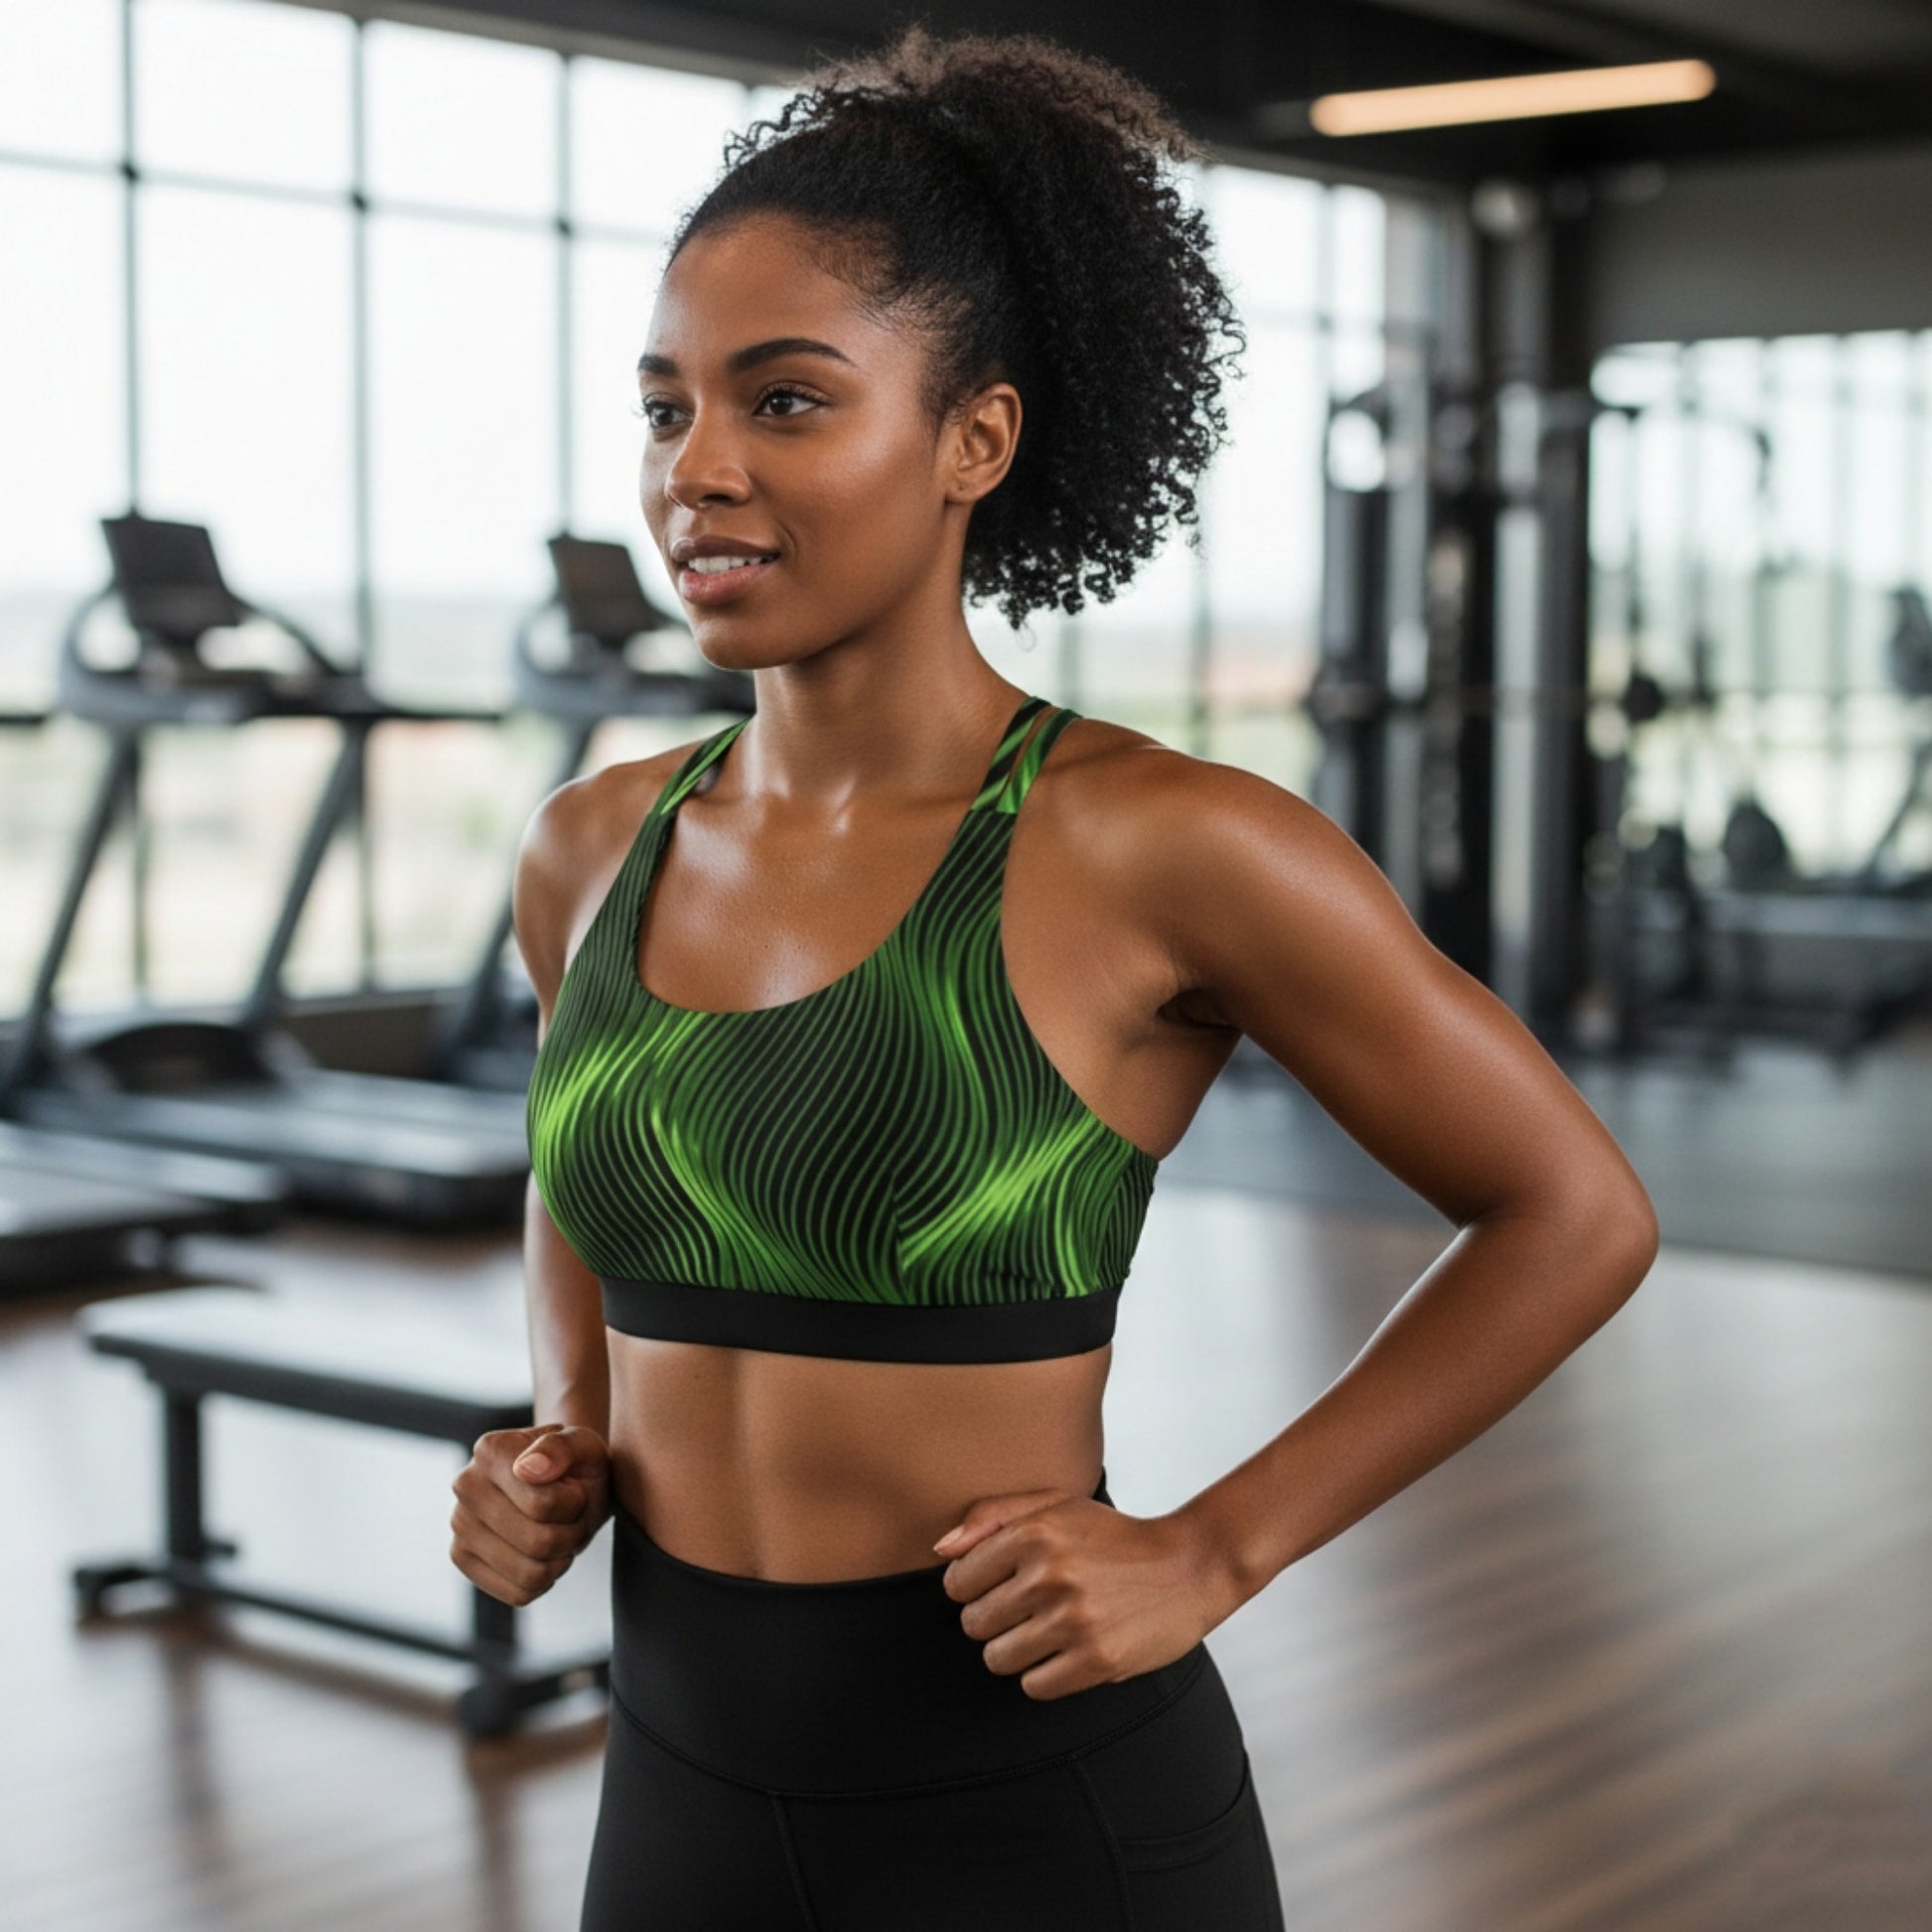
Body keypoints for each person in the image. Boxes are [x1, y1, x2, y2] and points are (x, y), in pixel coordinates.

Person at [449, 24, 1659, 1932]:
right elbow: (576, 1167)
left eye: (784, 401)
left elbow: (1572, 1208)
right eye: (664, 406)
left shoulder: (1161, 843)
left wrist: (1213, 1544)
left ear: (972, 440)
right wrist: (556, 1425)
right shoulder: (590, 844)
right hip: (672, 1787)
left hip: (1035, 1807)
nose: (697, 470)